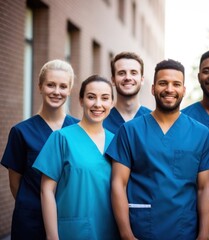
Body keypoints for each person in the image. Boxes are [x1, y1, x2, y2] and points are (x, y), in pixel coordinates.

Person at [107, 59, 209, 240]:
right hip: (142, 229)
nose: (169, 89)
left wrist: (204, 235)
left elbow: (204, 188)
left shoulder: (200, 133)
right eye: (163, 83)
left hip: (185, 230)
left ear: (183, 90)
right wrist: (126, 234)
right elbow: (118, 184)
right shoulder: (130, 131)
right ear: (153, 89)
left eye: (176, 84)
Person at [33, 75, 119, 239]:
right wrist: (52, 237)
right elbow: (46, 190)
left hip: (110, 230)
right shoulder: (61, 138)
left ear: (112, 103)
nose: (97, 104)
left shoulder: (116, 142)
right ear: (81, 100)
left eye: (105, 98)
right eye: (91, 97)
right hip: (72, 232)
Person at [1, 59, 78, 240]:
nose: (56, 92)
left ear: (70, 90)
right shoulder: (21, 131)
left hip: (70, 219)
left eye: (62, 86)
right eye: (50, 85)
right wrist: (32, 207)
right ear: (40, 87)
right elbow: (15, 183)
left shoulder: (78, 130)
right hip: (31, 222)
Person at [103, 51, 151, 133]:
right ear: (113, 80)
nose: (128, 77)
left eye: (133, 73)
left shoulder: (154, 121)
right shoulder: (101, 122)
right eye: (121, 73)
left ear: (142, 80)